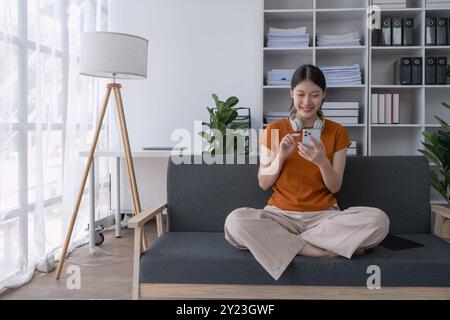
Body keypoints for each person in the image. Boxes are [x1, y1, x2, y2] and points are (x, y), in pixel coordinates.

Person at [224, 64, 390, 281]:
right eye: (301, 94)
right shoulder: (273, 130)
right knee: (234, 222)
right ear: (291, 93)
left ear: (324, 96)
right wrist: (281, 155)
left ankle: (287, 243)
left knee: (379, 221)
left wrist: (322, 162)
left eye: (315, 95)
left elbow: (335, 186)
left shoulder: (337, 132)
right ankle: (319, 249)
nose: (307, 102)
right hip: (279, 217)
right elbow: (264, 183)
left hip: (324, 217)